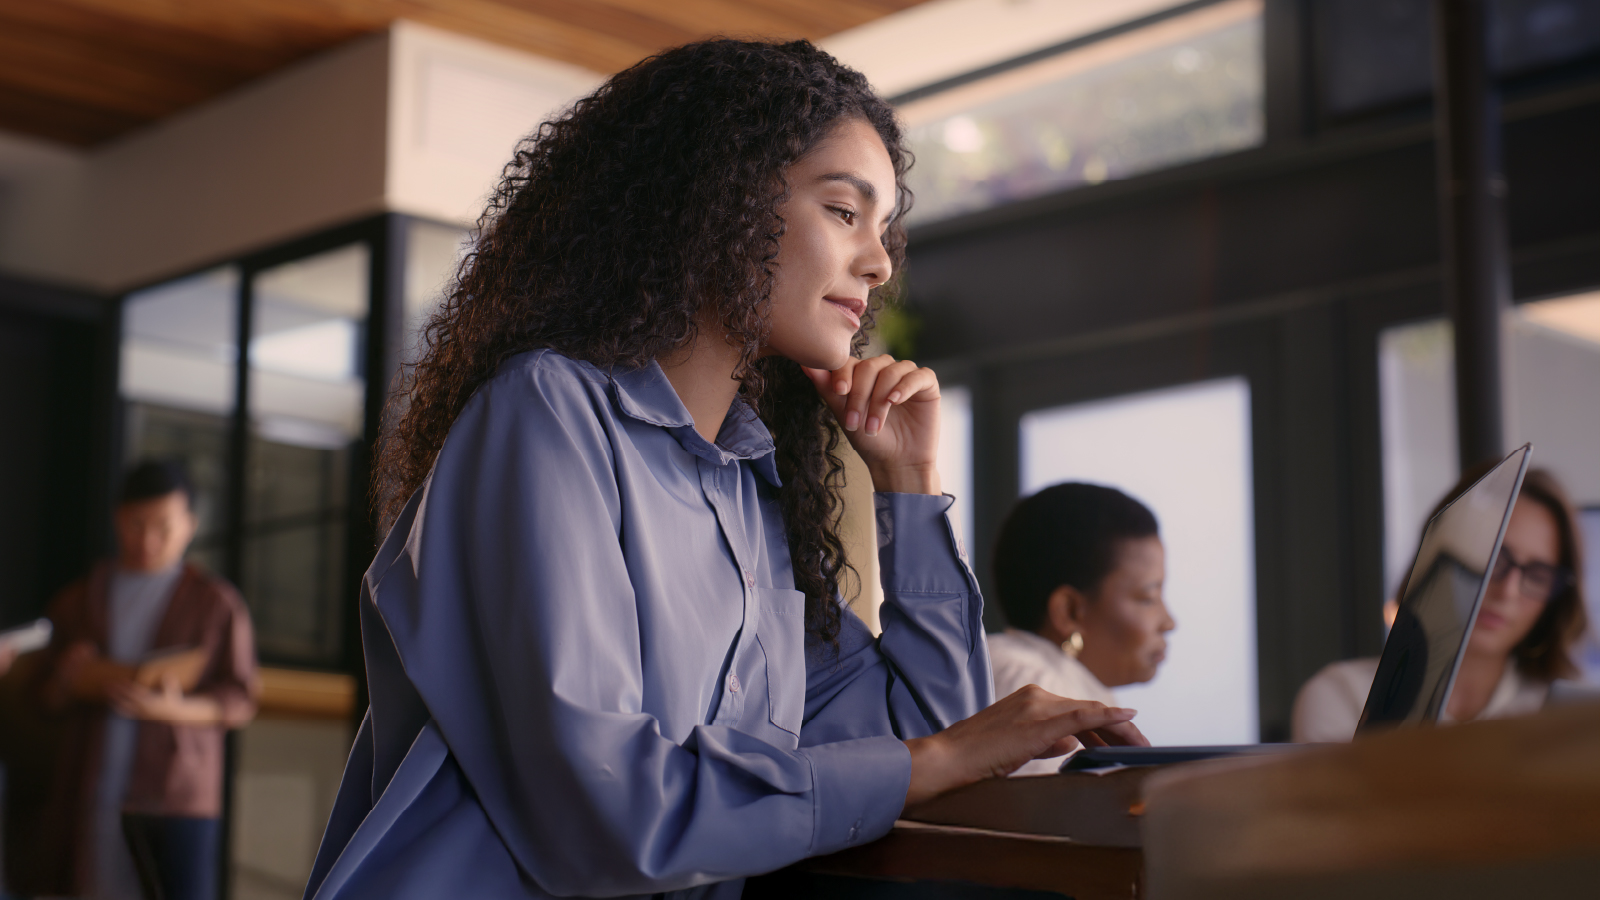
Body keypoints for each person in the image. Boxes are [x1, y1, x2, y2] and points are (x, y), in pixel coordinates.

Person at [303, 39, 1146, 900]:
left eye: (885, 228)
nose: (880, 262)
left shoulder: (747, 489)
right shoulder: (546, 412)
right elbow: (608, 816)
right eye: (844, 212)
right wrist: (937, 758)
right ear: (721, 204)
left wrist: (911, 487)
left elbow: (929, 738)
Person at [28, 460, 258, 900]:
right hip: (89, 782)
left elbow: (241, 697)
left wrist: (175, 710)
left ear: (190, 525)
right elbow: (41, 699)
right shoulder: (80, 599)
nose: (148, 540)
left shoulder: (216, 603)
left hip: (176, 792)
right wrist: (66, 678)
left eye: (164, 527)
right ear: (117, 519)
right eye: (136, 524)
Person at [1293, 467, 1589, 742]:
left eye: (1538, 575)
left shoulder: (1569, 716)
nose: (1508, 591)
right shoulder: (1343, 695)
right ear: (1437, 556)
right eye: (1495, 558)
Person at [987, 483, 1176, 775]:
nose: (1169, 622)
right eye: (1147, 597)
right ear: (1070, 612)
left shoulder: (1050, 680)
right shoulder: (1034, 685)